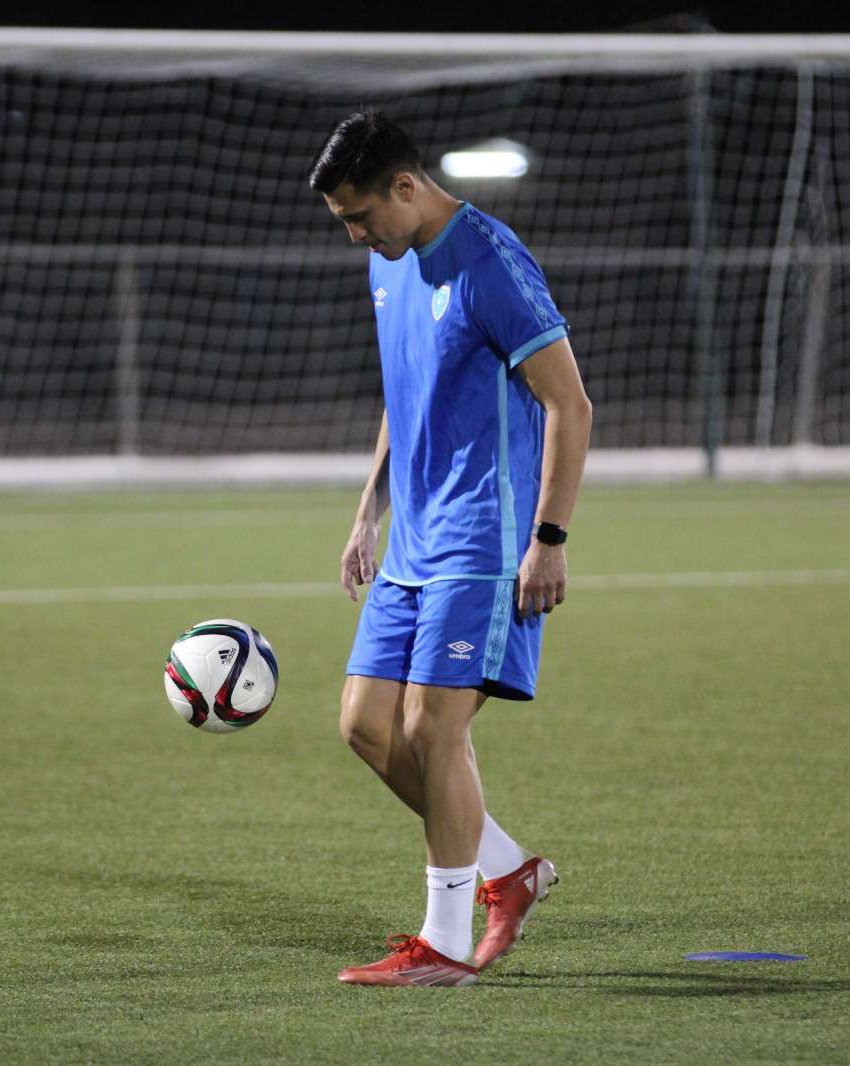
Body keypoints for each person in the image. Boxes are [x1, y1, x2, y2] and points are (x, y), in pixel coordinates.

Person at [307, 111, 593, 987]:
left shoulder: (489, 261)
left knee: (434, 729)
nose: (356, 235)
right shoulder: (386, 264)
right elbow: (407, 392)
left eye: (360, 216)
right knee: (363, 726)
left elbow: (570, 407)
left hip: (484, 539)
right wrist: (368, 510)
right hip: (412, 541)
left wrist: (548, 539)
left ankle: (443, 946)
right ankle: (506, 872)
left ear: (406, 186)